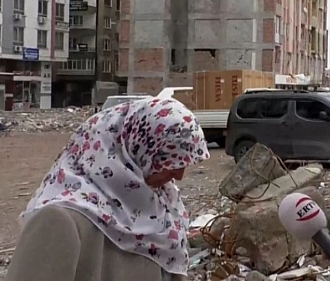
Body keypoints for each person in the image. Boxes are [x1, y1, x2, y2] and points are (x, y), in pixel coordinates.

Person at [7, 98, 210, 281]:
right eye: (169, 161)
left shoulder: (164, 213)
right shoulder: (61, 221)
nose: (179, 175)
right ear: (135, 151)